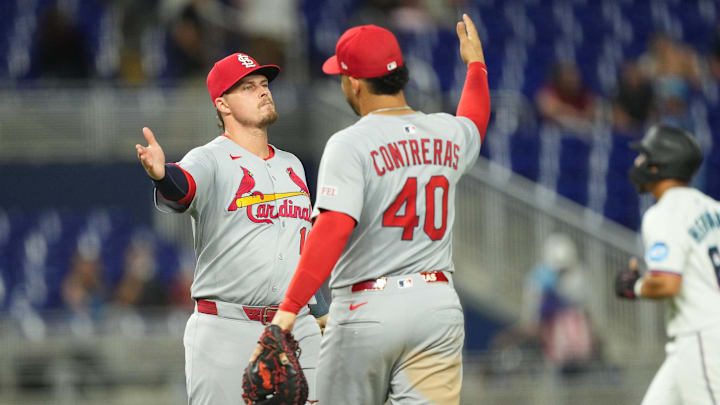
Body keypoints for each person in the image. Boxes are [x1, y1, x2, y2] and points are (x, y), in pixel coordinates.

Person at [254, 14, 490, 404]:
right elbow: (475, 121)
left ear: (355, 83)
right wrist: (476, 67)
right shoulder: (446, 130)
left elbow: (333, 228)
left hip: (368, 307)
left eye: (342, 77)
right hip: (436, 306)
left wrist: (288, 311)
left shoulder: (351, 143)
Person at [135, 52, 328, 404]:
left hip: (294, 325)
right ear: (222, 103)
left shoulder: (293, 164)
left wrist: (319, 309)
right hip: (227, 327)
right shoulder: (209, 158)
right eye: (248, 87)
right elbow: (184, 188)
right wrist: (163, 176)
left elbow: (302, 245)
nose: (263, 92)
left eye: (264, 84)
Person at [615, 124, 720, 405]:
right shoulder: (714, 208)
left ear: (658, 165)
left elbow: (668, 282)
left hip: (701, 335)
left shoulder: (663, 212)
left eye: (643, 157)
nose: (638, 162)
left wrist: (635, 285)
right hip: (696, 339)